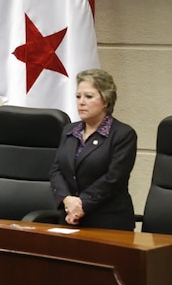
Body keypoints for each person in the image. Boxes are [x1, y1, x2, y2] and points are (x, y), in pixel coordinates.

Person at [49, 69, 137, 229]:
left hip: (108, 221)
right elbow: (56, 171)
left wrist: (82, 204)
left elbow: (114, 179)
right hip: (70, 218)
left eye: (88, 97)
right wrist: (67, 199)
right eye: (78, 96)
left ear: (106, 101)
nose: (81, 102)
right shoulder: (69, 131)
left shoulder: (123, 134)